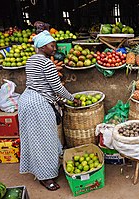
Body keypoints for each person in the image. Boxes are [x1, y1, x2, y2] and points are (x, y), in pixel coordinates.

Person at [18, 30, 81, 191]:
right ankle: (46, 178)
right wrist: (72, 99)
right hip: (38, 104)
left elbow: (42, 85)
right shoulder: (46, 63)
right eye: (52, 45)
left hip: (26, 100)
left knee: (34, 140)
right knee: (45, 141)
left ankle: (43, 169)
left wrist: (58, 100)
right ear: (42, 46)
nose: (55, 49)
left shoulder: (31, 60)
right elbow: (57, 88)